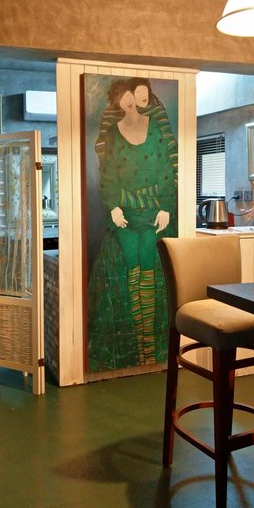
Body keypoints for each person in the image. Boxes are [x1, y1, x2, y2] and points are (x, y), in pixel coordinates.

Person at [88, 79, 177, 369]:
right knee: (131, 274)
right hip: (125, 214)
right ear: (117, 102)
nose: (130, 101)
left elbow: (166, 169)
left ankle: (150, 349)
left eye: (135, 95)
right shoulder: (113, 134)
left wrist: (165, 207)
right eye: (124, 96)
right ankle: (137, 349)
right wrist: (114, 205)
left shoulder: (156, 130)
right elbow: (108, 173)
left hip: (153, 212)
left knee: (149, 272)